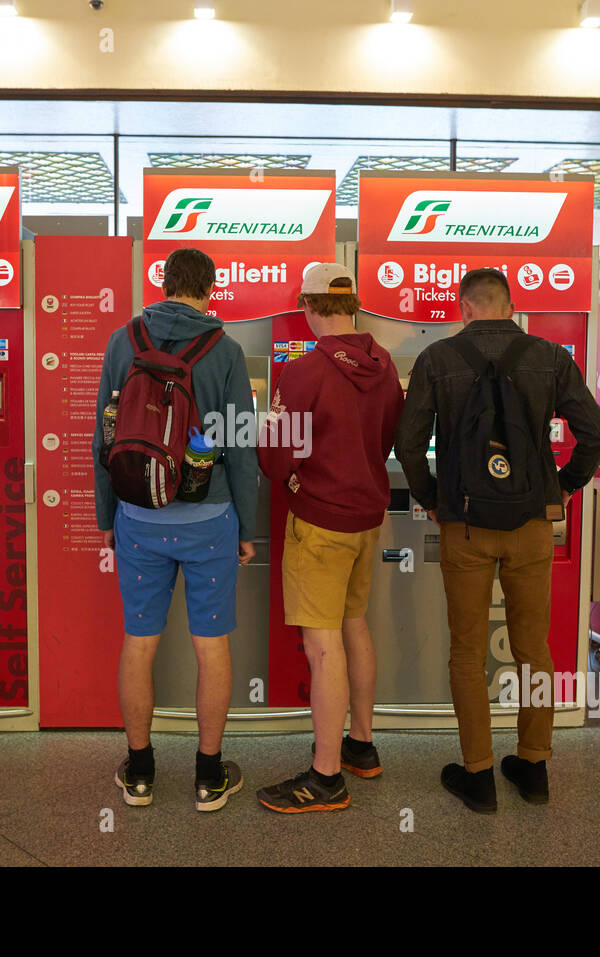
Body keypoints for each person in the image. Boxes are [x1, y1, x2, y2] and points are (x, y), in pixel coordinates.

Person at [394, 268, 600, 813]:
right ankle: (534, 765)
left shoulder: (436, 360)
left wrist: (434, 498)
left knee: (467, 651)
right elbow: (598, 434)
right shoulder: (551, 357)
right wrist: (561, 485)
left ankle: (478, 776)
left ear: (465, 307)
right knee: (533, 648)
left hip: (464, 526)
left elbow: (408, 442)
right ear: (509, 305)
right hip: (532, 524)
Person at [94, 247, 258, 812]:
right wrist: (248, 527)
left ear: (163, 284)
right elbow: (240, 446)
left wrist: (105, 519)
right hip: (210, 518)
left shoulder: (124, 340)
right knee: (210, 646)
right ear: (210, 289)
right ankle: (209, 775)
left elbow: (104, 440)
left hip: (137, 516)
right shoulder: (227, 350)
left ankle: (139, 773)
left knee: (140, 642)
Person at [254, 264, 403, 813]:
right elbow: (390, 436)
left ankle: (325, 777)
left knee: (323, 646)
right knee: (354, 626)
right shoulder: (384, 365)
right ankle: (361, 746)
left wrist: (290, 470)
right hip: (366, 517)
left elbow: (274, 458)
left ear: (307, 305)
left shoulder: (305, 371)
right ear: (354, 304)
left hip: (320, 522)